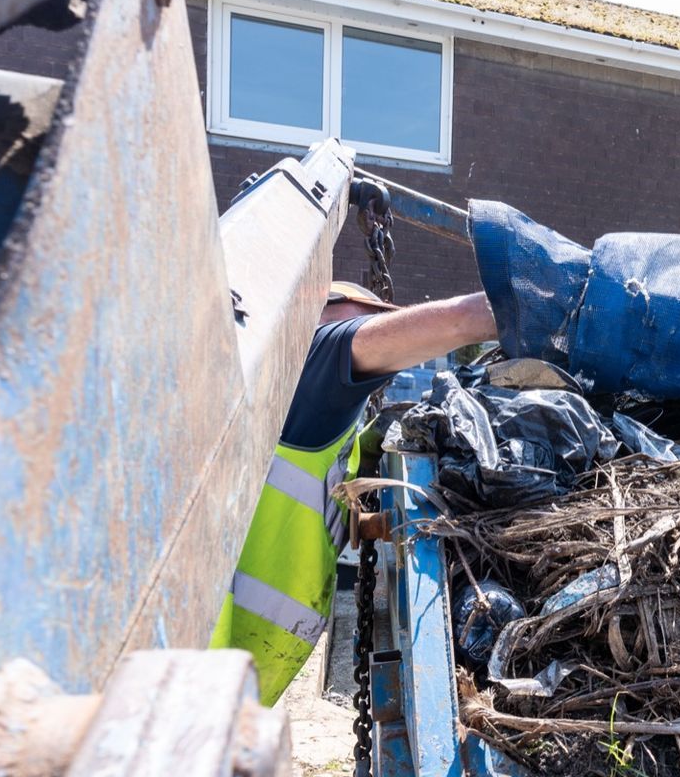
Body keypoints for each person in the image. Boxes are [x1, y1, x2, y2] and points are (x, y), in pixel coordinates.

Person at [212, 281, 497, 705]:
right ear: (320, 308)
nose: (380, 324)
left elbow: (307, 482)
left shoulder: (305, 403)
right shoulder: (314, 356)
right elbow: (459, 320)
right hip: (208, 658)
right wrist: (527, 301)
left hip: (236, 660)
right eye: (369, 313)